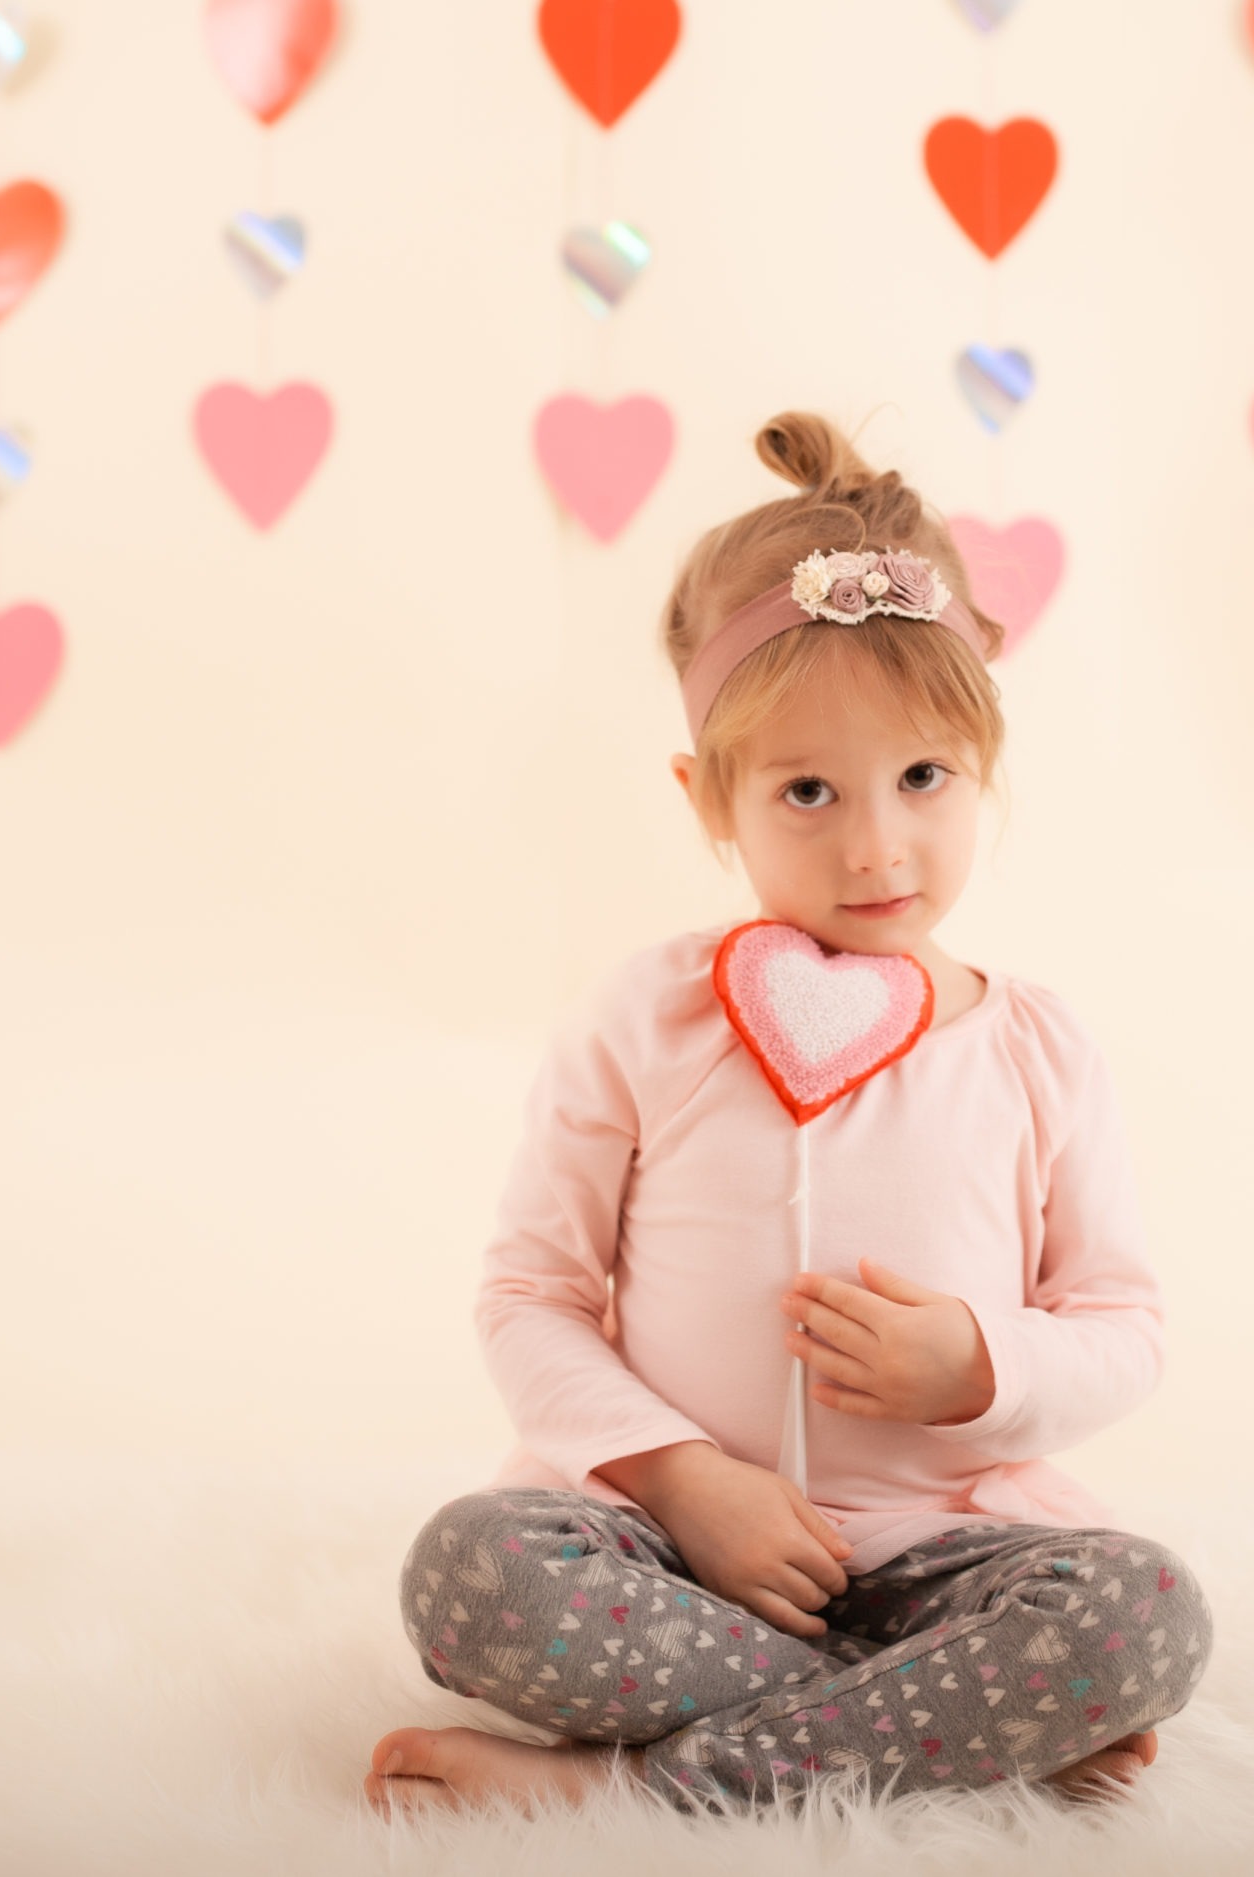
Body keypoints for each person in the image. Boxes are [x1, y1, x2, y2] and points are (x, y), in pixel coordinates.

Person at [365, 412, 1209, 1816]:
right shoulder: (648, 1016)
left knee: (1144, 1615)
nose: (877, 843)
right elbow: (530, 1293)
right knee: (467, 1570)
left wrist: (981, 1365)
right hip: (666, 1554)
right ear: (710, 797)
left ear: (981, 765)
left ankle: (629, 1793)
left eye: (923, 777)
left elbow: (1126, 1324)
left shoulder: (1036, 1046)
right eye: (808, 790)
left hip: (947, 1557)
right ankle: (938, 1729)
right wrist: (687, 1480)